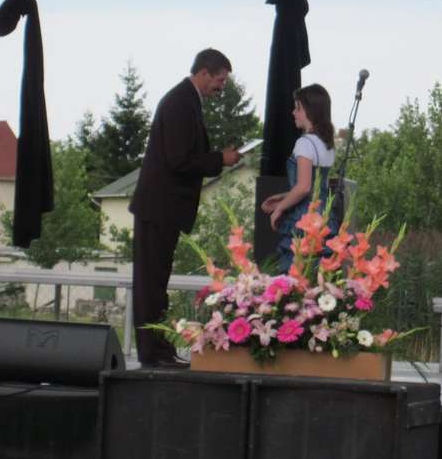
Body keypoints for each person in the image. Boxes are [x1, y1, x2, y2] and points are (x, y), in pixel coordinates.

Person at [130, 48, 242, 368]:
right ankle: (153, 353)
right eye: (220, 80)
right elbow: (179, 159)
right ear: (204, 73)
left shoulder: (185, 100)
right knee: (151, 285)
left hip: (161, 208)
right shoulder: (180, 102)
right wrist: (220, 159)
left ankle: (159, 349)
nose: (221, 87)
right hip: (159, 207)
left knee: (155, 284)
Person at [260, 83, 338, 273]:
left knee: (295, 272)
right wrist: (283, 197)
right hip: (325, 215)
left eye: (298, 108)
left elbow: (303, 187)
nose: (293, 112)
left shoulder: (304, 143)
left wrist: (280, 208)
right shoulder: (327, 144)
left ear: (310, 111)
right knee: (318, 273)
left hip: (305, 217)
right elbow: (315, 187)